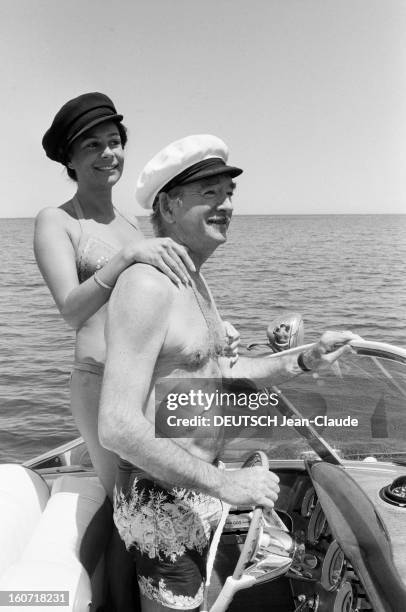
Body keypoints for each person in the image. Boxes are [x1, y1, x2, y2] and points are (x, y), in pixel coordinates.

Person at [98, 134, 359, 611]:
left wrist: (303, 359)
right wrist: (227, 485)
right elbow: (116, 425)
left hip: (197, 486)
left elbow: (226, 367)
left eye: (229, 193)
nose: (227, 205)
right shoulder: (147, 286)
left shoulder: (192, 279)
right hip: (159, 503)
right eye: (209, 193)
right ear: (169, 207)